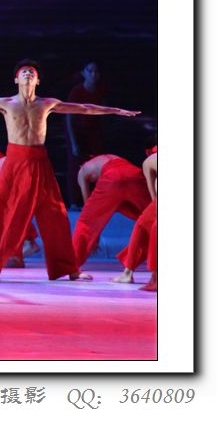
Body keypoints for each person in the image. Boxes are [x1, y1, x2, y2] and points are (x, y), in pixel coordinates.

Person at [0, 59, 139, 281]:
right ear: (16, 79)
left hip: (39, 162)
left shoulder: (47, 103)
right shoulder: (5, 103)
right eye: (24, 72)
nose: (28, 74)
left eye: (32, 72)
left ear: (37, 80)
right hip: (15, 163)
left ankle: (70, 269)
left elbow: (84, 108)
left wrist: (115, 110)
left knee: (56, 216)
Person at [72, 153, 151, 266]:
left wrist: (94, 237)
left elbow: (88, 208)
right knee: (152, 217)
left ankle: (73, 264)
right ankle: (130, 261)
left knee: (86, 221)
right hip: (133, 174)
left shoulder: (82, 170)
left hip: (112, 177)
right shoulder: (108, 157)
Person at [112, 149, 158, 291]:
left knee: (144, 227)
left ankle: (130, 273)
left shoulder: (149, 161)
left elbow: (152, 192)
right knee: (146, 227)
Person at [64, 61, 107, 206]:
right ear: (83, 73)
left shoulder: (101, 90)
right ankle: (75, 202)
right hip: (77, 130)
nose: (93, 74)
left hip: (93, 130)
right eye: (90, 71)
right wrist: (74, 142)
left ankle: (94, 200)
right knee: (76, 165)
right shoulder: (76, 92)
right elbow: (69, 118)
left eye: (96, 71)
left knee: (98, 163)